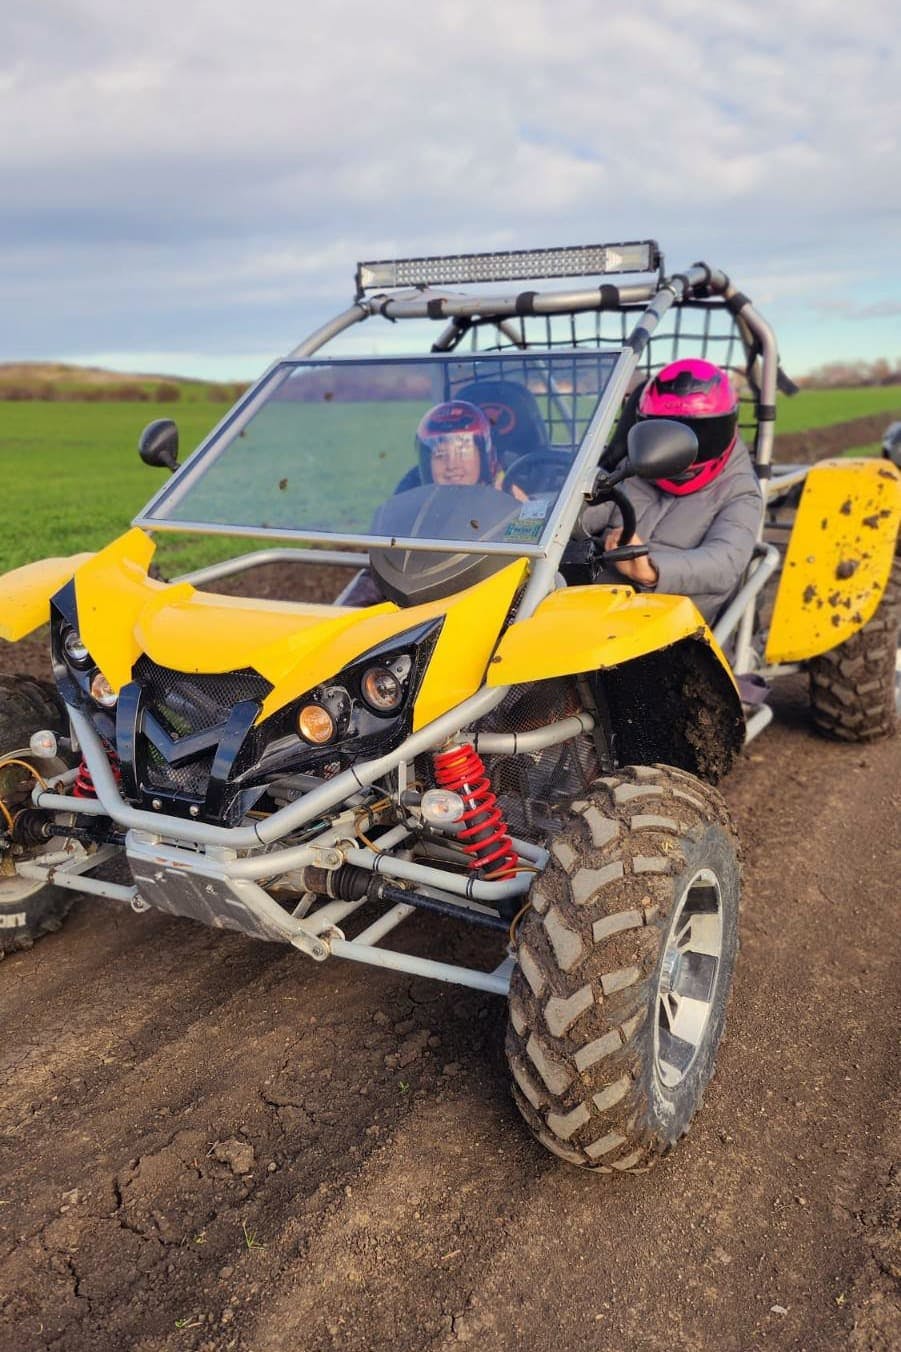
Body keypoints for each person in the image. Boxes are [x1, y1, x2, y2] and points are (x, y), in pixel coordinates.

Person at [581, 358, 763, 624]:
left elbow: (725, 562)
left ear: (728, 428)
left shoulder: (740, 491)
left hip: (676, 626)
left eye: (701, 435)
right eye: (661, 434)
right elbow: (593, 510)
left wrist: (652, 569)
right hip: (601, 604)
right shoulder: (636, 467)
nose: (674, 451)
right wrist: (543, 513)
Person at [394, 400, 525, 497]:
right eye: (440, 455)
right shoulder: (408, 498)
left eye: (462, 451)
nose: (452, 465)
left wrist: (515, 503)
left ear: (483, 457)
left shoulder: (511, 494)